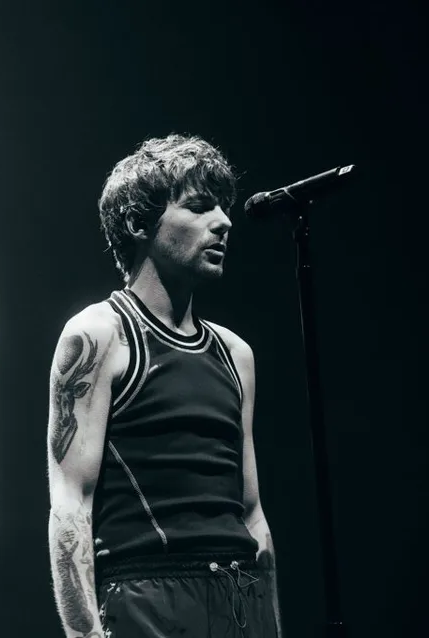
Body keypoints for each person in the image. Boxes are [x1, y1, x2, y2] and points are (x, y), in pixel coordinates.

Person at [47, 134, 282, 638]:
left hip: (239, 600)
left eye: (223, 207)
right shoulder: (98, 335)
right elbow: (70, 500)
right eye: (199, 207)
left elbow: (252, 513)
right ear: (139, 224)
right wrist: (84, 634)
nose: (224, 221)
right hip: (146, 601)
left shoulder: (235, 354)